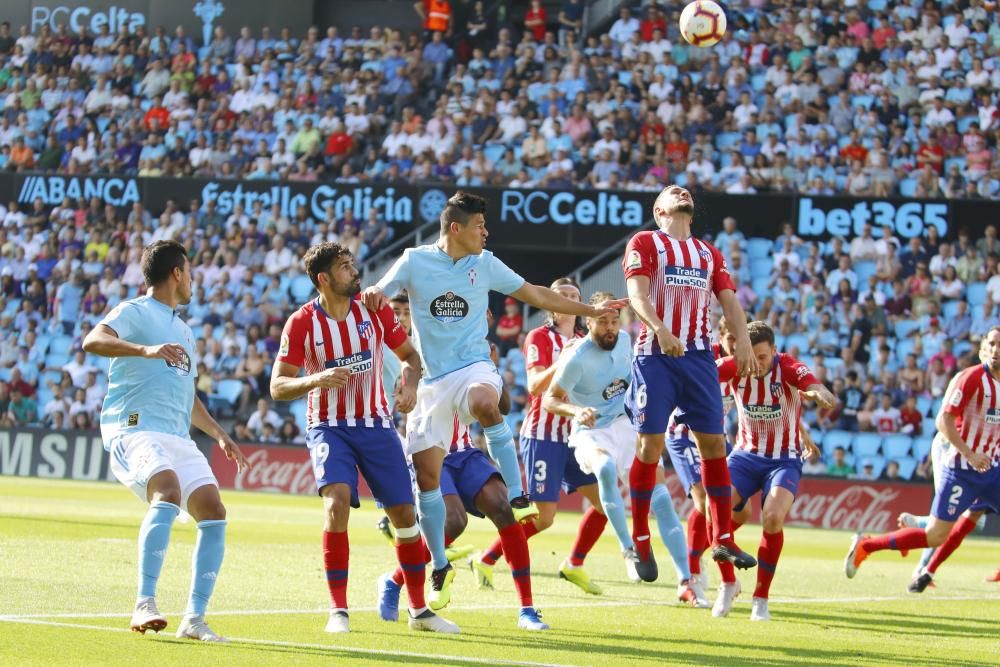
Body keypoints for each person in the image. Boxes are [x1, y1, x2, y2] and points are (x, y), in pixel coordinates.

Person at [362, 191, 625, 608]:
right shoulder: (414, 261)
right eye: (480, 225)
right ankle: (435, 568)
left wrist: (593, 313)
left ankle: (520, 506)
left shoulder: (485, 264)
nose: (486, 231)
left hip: (473, 369)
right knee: (437, 499)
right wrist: (375, 291)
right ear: (456, 228)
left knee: (486, 404)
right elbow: (380, 289)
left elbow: (537, 294)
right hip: (433, 387)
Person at [270, 242, 457, 635]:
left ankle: (419, 611)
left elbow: (410, 357)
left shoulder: (374, 310)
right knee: (337, 503)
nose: (354, 271)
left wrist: (408, 386)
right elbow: (278, 386)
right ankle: (338, 610)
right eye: (344, 267)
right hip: (329, 426)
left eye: (353, 264)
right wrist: (315, 378)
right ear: (323, 279)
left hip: (376, 425)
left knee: (405, 516)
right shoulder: (302, 322)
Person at [82, 240, 250, 642]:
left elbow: (188, 397)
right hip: (134, 428)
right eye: (190, 272)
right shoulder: (134, 311)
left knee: (212, 508)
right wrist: (146, 349)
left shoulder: (185, 331)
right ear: (177, 273)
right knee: (168, 492)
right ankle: (144, 602)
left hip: (176, 435)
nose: (192, 281)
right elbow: (93, 340)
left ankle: (194, 620)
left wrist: (220, 434)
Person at [622, 184, 759, 583]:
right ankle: (641, 538)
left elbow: (730, 303)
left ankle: (724, 537)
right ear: (659, 209)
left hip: (699, 357)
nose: (680, 190)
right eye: (671, 191)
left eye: (684, 190)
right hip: (655, 353)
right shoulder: (646, 241)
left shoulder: (708, 252)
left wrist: (745, 342)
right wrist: (662, 329)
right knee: (650, 445)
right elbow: (635, 293)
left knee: (714, 443)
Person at [378, 340, 549, 631]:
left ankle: (527, 610)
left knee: (504, 509)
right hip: (430, 449)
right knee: (453, 521)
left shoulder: (479, 354)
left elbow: (503, 408)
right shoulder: (416, 352)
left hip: (465, 451)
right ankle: (396, 579)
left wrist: (492, 371)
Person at [543, 292, 698, 602]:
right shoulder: (576, 357)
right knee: (605, 468)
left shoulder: (626, 342)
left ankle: (686, 581)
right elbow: (549, 398)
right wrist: (576, 411)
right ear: (588, 322)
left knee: (662, 499)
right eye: (602, 322)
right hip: (592, 431)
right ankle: (630, 550)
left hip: (628, 427)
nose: (610, 328)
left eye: (614, 321)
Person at [471, 277, 608, 597]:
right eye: (561, 295)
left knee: (606, 503)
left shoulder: (586, 340)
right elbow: (534, 386)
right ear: (549, 302)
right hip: (543, 436)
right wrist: (565, 360)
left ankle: (574, 563)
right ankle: (487, 558)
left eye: (574, 296)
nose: (569, 300)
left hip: (577, 435)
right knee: (544, 518)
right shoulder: (539, 337)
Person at [845, 328, 1000, 590]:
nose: (996, 350)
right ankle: (867, 544)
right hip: (962, 469)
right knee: (936, 536)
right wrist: (970, 453)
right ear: (984, 347)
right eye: (993, 344)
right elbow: (943, 421)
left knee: (967, 521)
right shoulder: (971, 378)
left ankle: (924, 563)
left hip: (992, 470)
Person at [716, 321, 836, 621]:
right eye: (751, 356)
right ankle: (728, 583)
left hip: (784, 459)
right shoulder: (733, 366)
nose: (756, 364)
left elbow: (813, 385)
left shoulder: (789, 367)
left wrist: (821, 394)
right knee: (713, 511)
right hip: (744, 456)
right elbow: (699, 375)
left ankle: (760, 599)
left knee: (772, 517)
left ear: (774, 351)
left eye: (763, 357)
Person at [664, 314, 742, 608]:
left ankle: (707, 553)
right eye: (730, 338)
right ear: (720, 338)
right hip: (684, 434)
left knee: (739, 511)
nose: (735, 344)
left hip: (714, 438)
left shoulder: (742, 364)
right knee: (703, 501)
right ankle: (692, 573)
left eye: (739, 338)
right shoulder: (708, 358)